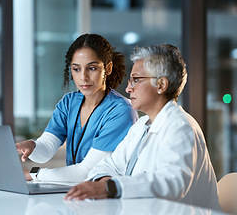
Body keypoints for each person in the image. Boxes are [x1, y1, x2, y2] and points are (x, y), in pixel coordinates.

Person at [65, 44, 221, 211]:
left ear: (161, 85)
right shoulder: (141, 126)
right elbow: (108, 165)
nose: (128, 88)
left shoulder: (180, 127)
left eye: (136, 80)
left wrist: (111, 187)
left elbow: (173, 183)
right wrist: (105, 181)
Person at [16, 34, 138, 182]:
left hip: (106, 197)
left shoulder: (121, 111)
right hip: (76, 192)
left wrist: (34, 174)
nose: (83, 77)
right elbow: (46, 149)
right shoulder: (69, 102)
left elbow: (87, 172)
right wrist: (31, 146)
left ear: (108, 68)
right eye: (76, 69)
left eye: (91, 68)